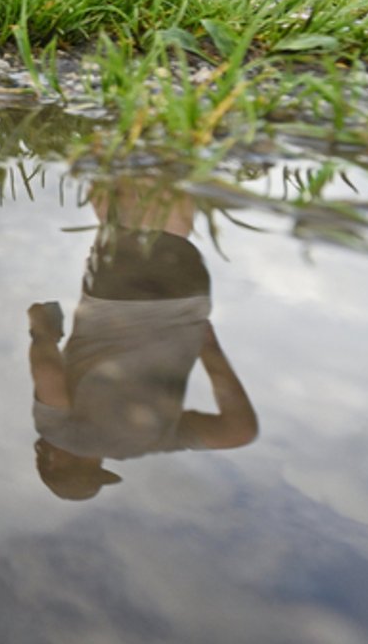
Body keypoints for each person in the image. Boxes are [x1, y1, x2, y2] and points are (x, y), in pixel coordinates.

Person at [27, 179, 257, 501]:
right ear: (54, 461)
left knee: (169, 227)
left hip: (186, 299)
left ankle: (177, 145)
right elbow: (49, 375)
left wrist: (210, 351)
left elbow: (239, 431)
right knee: (125, 200)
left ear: (95, 467)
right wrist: (41, 330)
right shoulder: (60, 433)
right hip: (117, 297)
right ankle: (128, 143)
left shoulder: (154, 441)